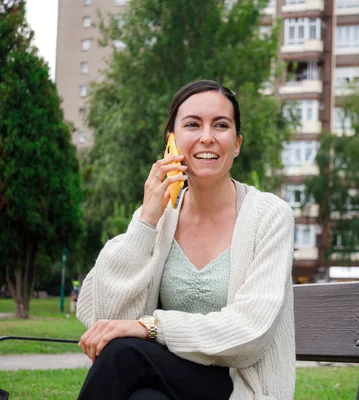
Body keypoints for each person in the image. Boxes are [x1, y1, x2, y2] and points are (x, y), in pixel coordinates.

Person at [76, 80, 296, 400]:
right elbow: (107, 318)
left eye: (220, 125)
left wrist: (152, 327)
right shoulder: (160, 218)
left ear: (236, 143)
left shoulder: (270, 215)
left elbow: (251, 334)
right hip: (170, 380)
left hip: (241, 388)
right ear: (173, 142)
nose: (207, 136)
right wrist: (146, 221)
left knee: (125, 355)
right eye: (193, 124)